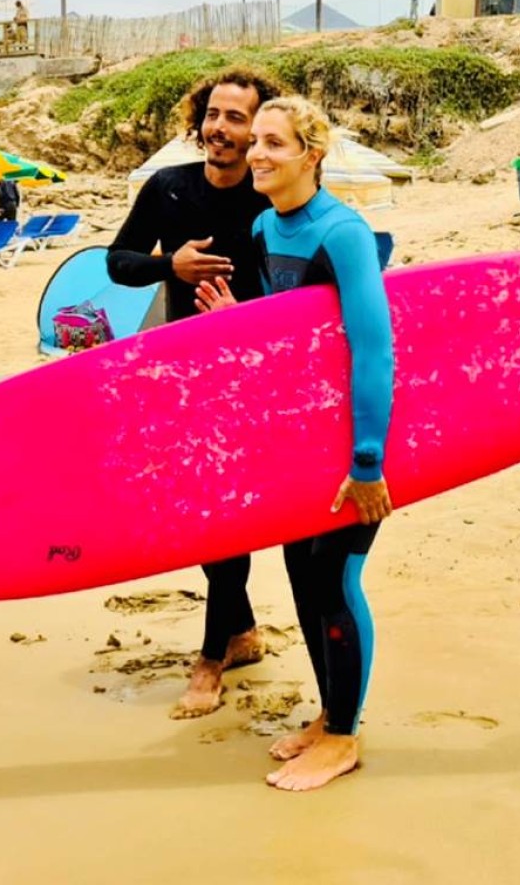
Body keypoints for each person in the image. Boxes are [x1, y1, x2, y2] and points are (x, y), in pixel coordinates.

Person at [195, 96, 395, 791]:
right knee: (304, 580)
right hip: (298, 439)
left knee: (336, 581)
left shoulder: (343, 233)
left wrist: (368, 462)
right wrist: (237, 320)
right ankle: (330, 713)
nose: (257, 154)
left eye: (275, 145)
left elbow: (373, 350)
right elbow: (294, 334)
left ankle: (344, 737)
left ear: (312, 154)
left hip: (353, 445)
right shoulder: (262, 225)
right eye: (258, 142)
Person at [106, 68, 282, 719]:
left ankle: (211, 658)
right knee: (200, 516)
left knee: (225, 516)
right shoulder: (168, 188)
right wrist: (167, 267)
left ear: (260, 130)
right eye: (214, 114)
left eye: (238, 118)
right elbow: (116, 263)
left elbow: (300, 295)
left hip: (248, 379)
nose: (221, 129)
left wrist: (243, 314)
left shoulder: (272, 201)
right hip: (184, 378)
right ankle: (241, 632)